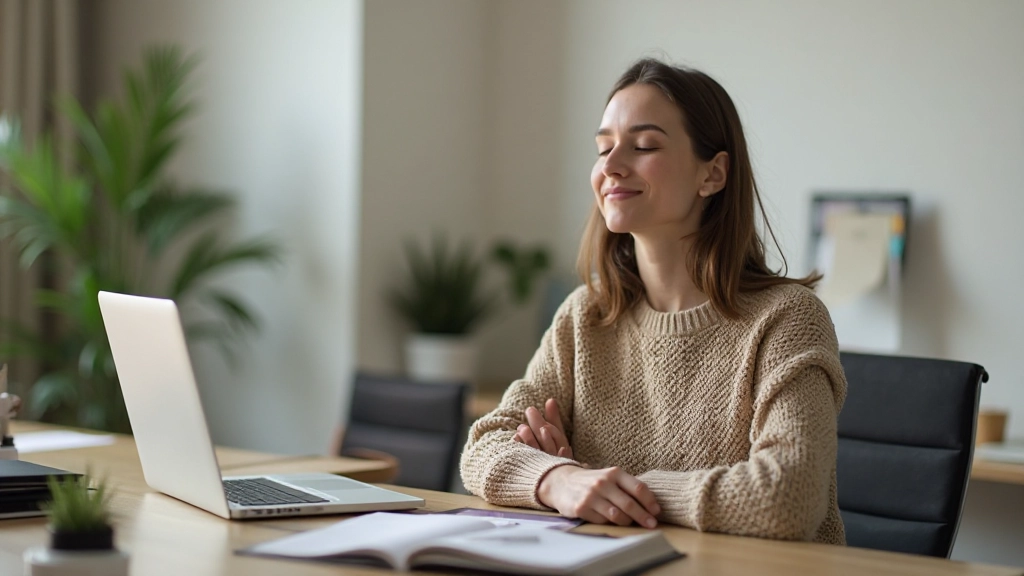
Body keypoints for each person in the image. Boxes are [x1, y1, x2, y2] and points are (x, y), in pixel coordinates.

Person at [459, 58, 847, 544]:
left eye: (643, 146)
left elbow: (787, 498)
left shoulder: (788, 319)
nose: (611, 166)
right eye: (603, 148)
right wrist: (560, 480)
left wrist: (611, 488)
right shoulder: (586, 316)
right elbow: (482, 447)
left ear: (713, 174)